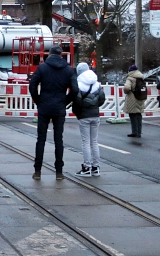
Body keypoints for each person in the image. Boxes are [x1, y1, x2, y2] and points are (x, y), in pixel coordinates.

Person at [27, 48, 75, 179]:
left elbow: (32, 86)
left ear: (49, 55)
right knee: (58, 140)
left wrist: (38, 100)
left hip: (44, 107)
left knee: (41, 139)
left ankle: (37, 171)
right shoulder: (68, 70)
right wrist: (65, 101)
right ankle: (59, 172)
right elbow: (75, 90)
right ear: (61, 55)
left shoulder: (42, 68)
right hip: (59, 108)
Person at [72, 62, 106, 177]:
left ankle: (87, 167)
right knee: (94, 142)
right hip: (95, 115)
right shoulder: (96, 83)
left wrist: (77, 112)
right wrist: (95, 107)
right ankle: (96, 167)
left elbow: (76, 101)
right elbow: (102, 98)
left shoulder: (79, 84)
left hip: (84, 116)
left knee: (85, 142)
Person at [123, 64, 147, 139]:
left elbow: (127, 87)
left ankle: (134, 132)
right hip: (140, 97)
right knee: (139, 115)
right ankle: (139, 132)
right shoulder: (141, 77)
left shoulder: (130, 78)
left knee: (133, 115)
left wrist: (126, 91)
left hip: (132, 98)